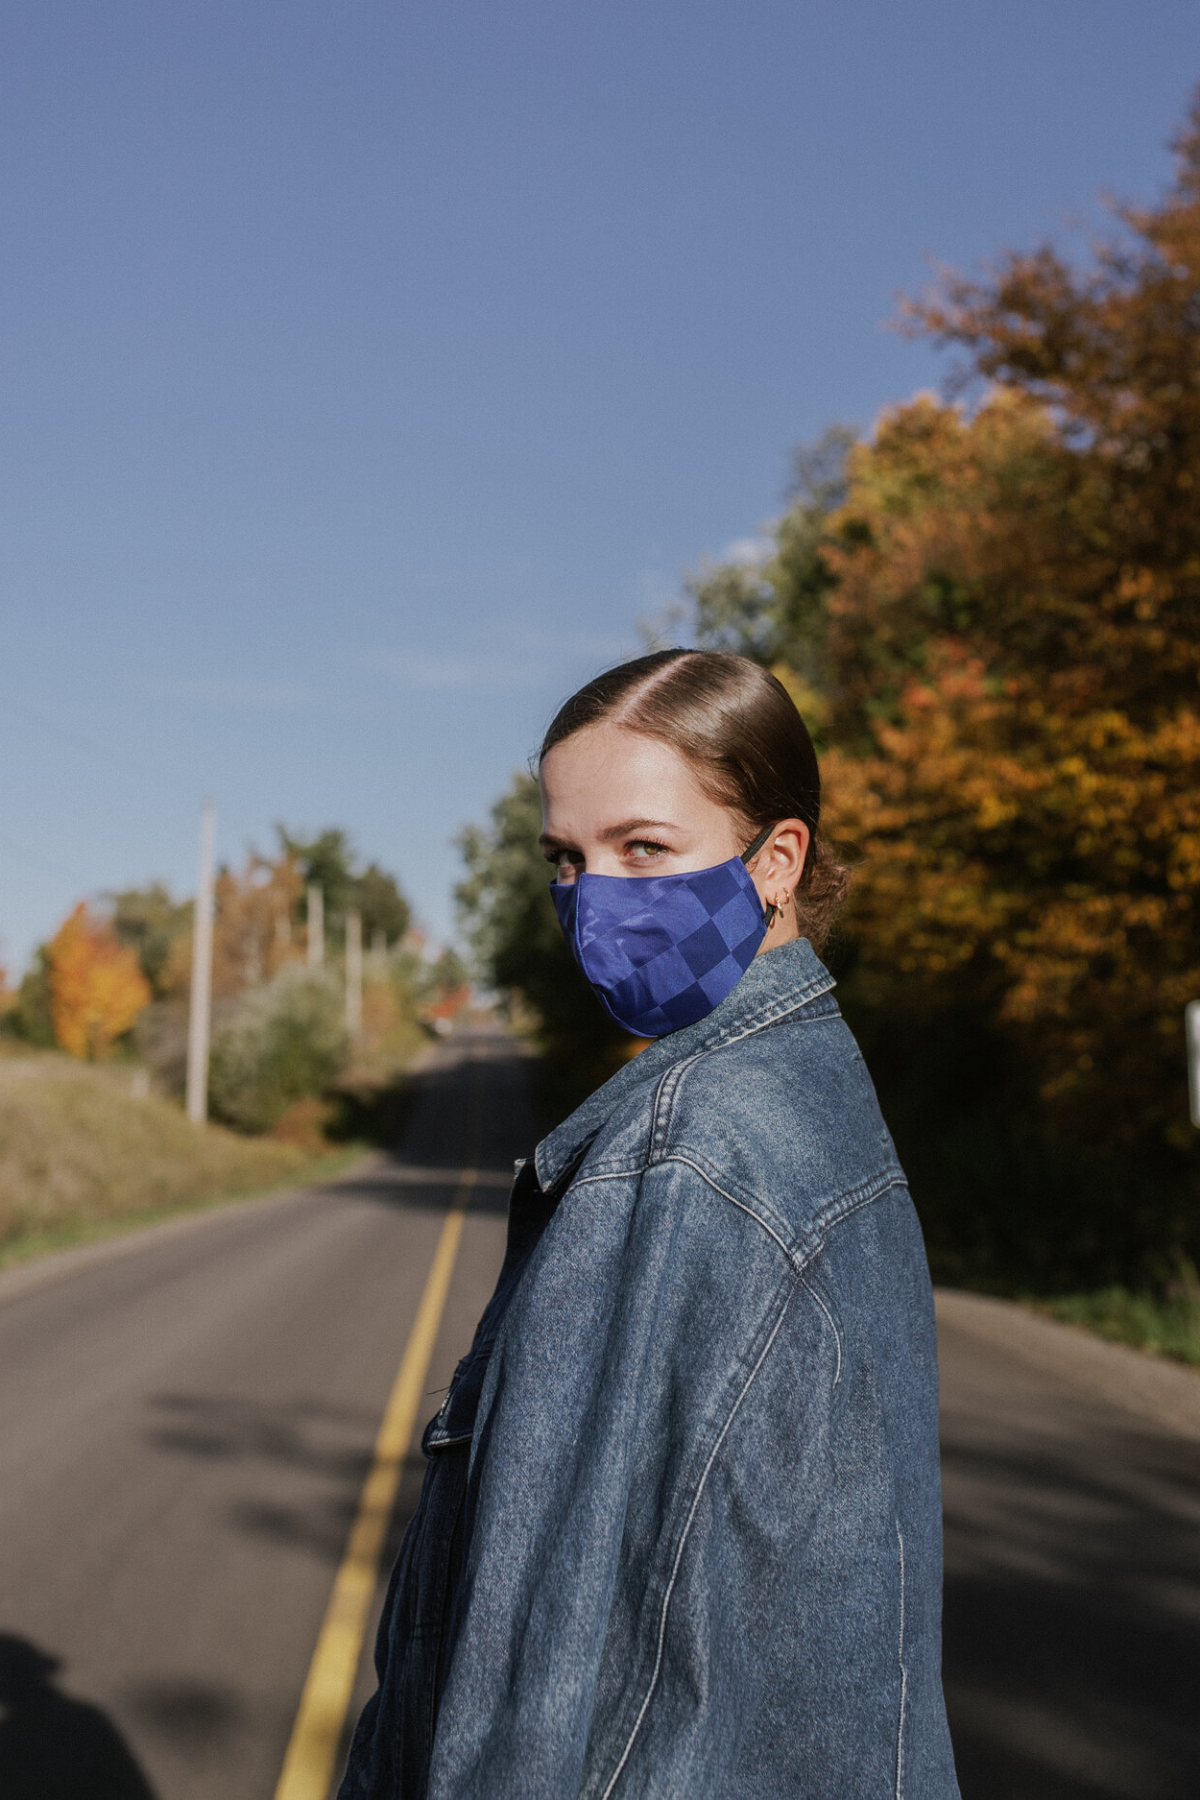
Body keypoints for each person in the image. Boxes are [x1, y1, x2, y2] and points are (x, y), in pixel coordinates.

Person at [340, 649, 960, 1799]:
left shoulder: (679, 1155)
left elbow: (546, 1673)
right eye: (567, 859)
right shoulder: (819, 1091)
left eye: (645, 848)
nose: (597, 900)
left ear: (777, 861)